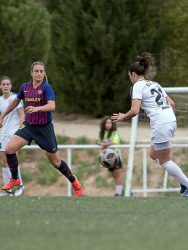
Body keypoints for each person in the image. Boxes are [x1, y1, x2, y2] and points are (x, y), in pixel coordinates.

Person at [111, 52, 188, 197]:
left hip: (162, 124)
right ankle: (184, 183)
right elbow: (172, 103)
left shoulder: (137, 86)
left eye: (129, 76)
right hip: (170, 120)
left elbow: (134, 110)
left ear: (133, 74)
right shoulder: (154, 84)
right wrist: (166, 116)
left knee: (165, 161)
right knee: (153, 154)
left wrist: (122, 117)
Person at [0, 62, 83, 197]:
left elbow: (52, 106)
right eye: (36, 71)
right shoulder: (25, 87)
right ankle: (14, 179)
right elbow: (15, 102)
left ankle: (74, 181)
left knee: (56, 163)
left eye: (41, 71)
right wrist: (3, 115)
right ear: (31, 73)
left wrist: (37, 108)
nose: (39, 74)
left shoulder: (46, 87)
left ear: (44, 73)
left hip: (44, 129)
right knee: (9, 149)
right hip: (29, 126)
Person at [0, 76, 25, 197]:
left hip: (13, 133)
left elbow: (22, 115)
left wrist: (20, 129)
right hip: (2, 134)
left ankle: (20, 186)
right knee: (4, 162)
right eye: (3, 84)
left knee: (13, 161)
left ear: (10, 86)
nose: (5, 86)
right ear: (0, 86)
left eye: (7, 84)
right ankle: (8, 191)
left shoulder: (16, 98)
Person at [98, 116, 124, 196]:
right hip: (107, 159)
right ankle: (121, 192)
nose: (108, 124)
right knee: (114, 175)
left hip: (115, 157)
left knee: (118, 175)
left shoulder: (114, 133)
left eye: (110, 123)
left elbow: (115, 142)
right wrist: (101, 144)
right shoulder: (103, 133)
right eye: (106, 123)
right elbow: (99, 141)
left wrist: (104, 144)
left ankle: (118, 193)